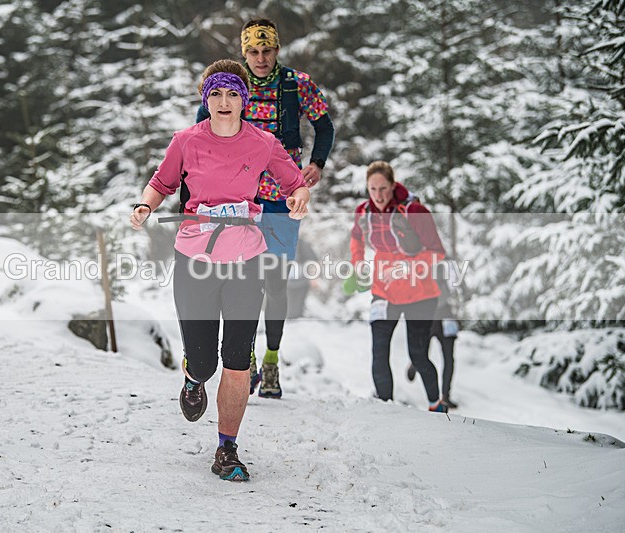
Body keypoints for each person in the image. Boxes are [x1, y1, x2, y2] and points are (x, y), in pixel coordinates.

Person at [130, 59, 310, 481]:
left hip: (246, 259)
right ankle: (194, 377)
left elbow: (293, 181)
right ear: (205, 98)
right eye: (215, 93)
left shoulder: (262, 142)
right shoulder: (186, 141)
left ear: (244, 99)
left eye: (232, 94)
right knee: (206, 362)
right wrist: (143, 206)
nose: (224, 102)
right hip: (195, 260)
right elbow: (161, 183)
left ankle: (226, 450)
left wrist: (299, 197)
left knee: (236, 362)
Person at [196, 18, 335, 399]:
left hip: (281, 200)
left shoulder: (297, 84)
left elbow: (325, 127)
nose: (260, 58)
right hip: (235, 199)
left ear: (277, 50)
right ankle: (247, 355)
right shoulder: (228, 86)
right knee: (239, 280)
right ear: (244, 52)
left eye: (267, 50)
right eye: (253, 52)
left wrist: (317, 164)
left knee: (274, 281)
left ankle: (271, 359)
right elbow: (200, 132)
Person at [346, 161, 449, 413]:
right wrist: (358, 265)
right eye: (373, 189)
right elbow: (356, 238)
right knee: (379, 352)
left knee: (418, 355)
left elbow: (438, 253)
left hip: (420, 293)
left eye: (383, 188)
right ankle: (385, 408)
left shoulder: (414, 212)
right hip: (383, 291)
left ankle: (436, 404)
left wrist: (406, 268)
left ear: (393, 186)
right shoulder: (364, 212)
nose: (378, 195)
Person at [407, 274, 460, 409]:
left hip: (445, 315)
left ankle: (445, 396)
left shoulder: (445, 262)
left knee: (449, 358)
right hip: (429, 315)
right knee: (422, 352)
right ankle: (415, 363)